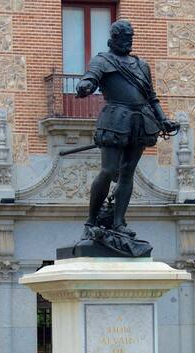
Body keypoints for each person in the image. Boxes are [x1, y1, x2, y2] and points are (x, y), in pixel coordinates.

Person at [75, 19, 179, 241]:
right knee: (108, 170)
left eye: (130, 38)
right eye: (124, 38)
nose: (128, 42)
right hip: (115, 118)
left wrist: (164, 120)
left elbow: (151, 97)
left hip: (140, 121)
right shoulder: (102, 60)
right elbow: (91, 78)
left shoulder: (142, 65)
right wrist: (85, 86)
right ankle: (91, 220)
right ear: (113, 39)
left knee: (128, 172)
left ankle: (119, 222)